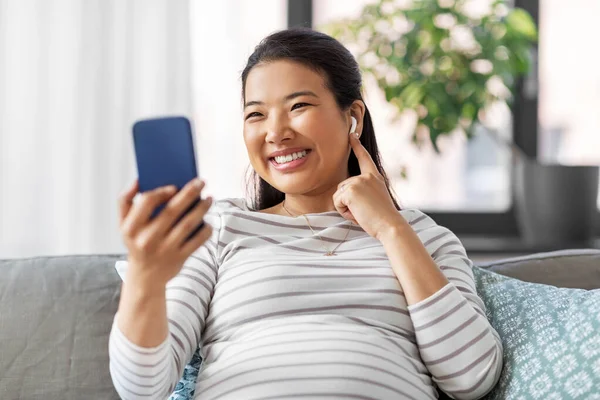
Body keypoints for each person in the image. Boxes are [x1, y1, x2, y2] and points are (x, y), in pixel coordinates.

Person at [109, 28, 503, 400]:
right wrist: (146, 276)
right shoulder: (219, 230)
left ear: (354, 117)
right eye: (256, 114)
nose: (275, 132)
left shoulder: (423, 237)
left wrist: (390, 229)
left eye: (298, 106)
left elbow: (472, 377)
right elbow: (142, 389)